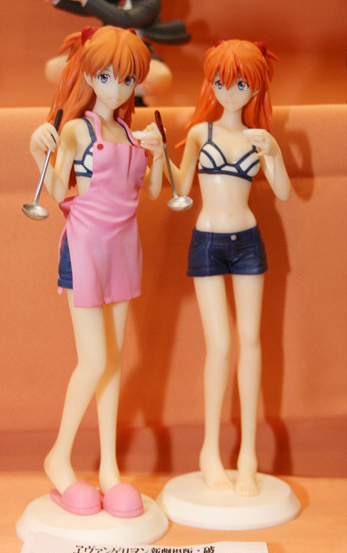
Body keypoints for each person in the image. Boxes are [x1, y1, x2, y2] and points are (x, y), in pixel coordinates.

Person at [30, 25, 163, 516]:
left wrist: (158, 154)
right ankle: (58, 457)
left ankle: (109, 466)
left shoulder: (130, 133)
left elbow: (152, 193)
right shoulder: (76, 130)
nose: (116, 87)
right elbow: (57, 189)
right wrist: (38, 150)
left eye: (127, 79)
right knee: (93, 360)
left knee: (114, 360)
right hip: (84, 247)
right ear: (88, 75)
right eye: (105, 76)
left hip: (124, 250)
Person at [167, 39, 290, 496]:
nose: (229, 91)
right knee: (219, 345)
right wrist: (160, 154)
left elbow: (283, 192)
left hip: (248, 243)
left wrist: (274, 153)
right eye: (220, 82)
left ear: (255, 88)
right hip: (207, 242)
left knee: (251, 342)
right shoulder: (201, 133)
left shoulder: (259, 139)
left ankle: (248, 456)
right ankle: (210, 451)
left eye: (240, 83)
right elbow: (182, 188)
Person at [46, 0, 191, 104]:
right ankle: (98, 91)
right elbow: (85, 7)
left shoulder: (150, 3)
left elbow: (123, 18)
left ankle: (120, 88)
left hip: (134, 59)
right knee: (54, 68)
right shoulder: (112, 1)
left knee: (158, 76)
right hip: (104, 57)